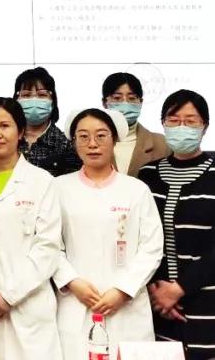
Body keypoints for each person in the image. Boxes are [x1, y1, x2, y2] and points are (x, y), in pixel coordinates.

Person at [136, 90, 215, 359]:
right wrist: (158, 290)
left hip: (213, 304)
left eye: (190, 121)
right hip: (159, 306)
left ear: (204, 126)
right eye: (173, 120)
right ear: (163, 124)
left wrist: (179, 289)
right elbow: (141, 239)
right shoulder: (147, 176)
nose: (181, 127)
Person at [53, 107, 163, 360]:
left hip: (127, 307)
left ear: (115, 140)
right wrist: (73, 282)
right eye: (83, 137)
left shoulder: (136, 190)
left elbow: (152, 247)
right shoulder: (58, 188)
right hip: (76, 303)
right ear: (74, 142)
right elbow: (49, 244)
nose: (92, 144)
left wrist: (123, 290)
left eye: (101, 136)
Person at [0, 98, 62, 360]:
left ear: (20, 132)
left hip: (29, 305)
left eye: (4, 126)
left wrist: (9, 296)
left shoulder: (42, 181)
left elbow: (48, 247)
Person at [14, 67, 79, 177]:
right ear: (16, 99)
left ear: (53, 101)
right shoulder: (7, 140)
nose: (34, 100)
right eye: (26, 95)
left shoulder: (67, 145)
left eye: (42, 95)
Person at [101, 72, 168, 176]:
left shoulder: (162, 144)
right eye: (117, 98)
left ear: (140, 102)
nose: (125, 103)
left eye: (132, 98)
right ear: (104, 103)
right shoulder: (88, 142)